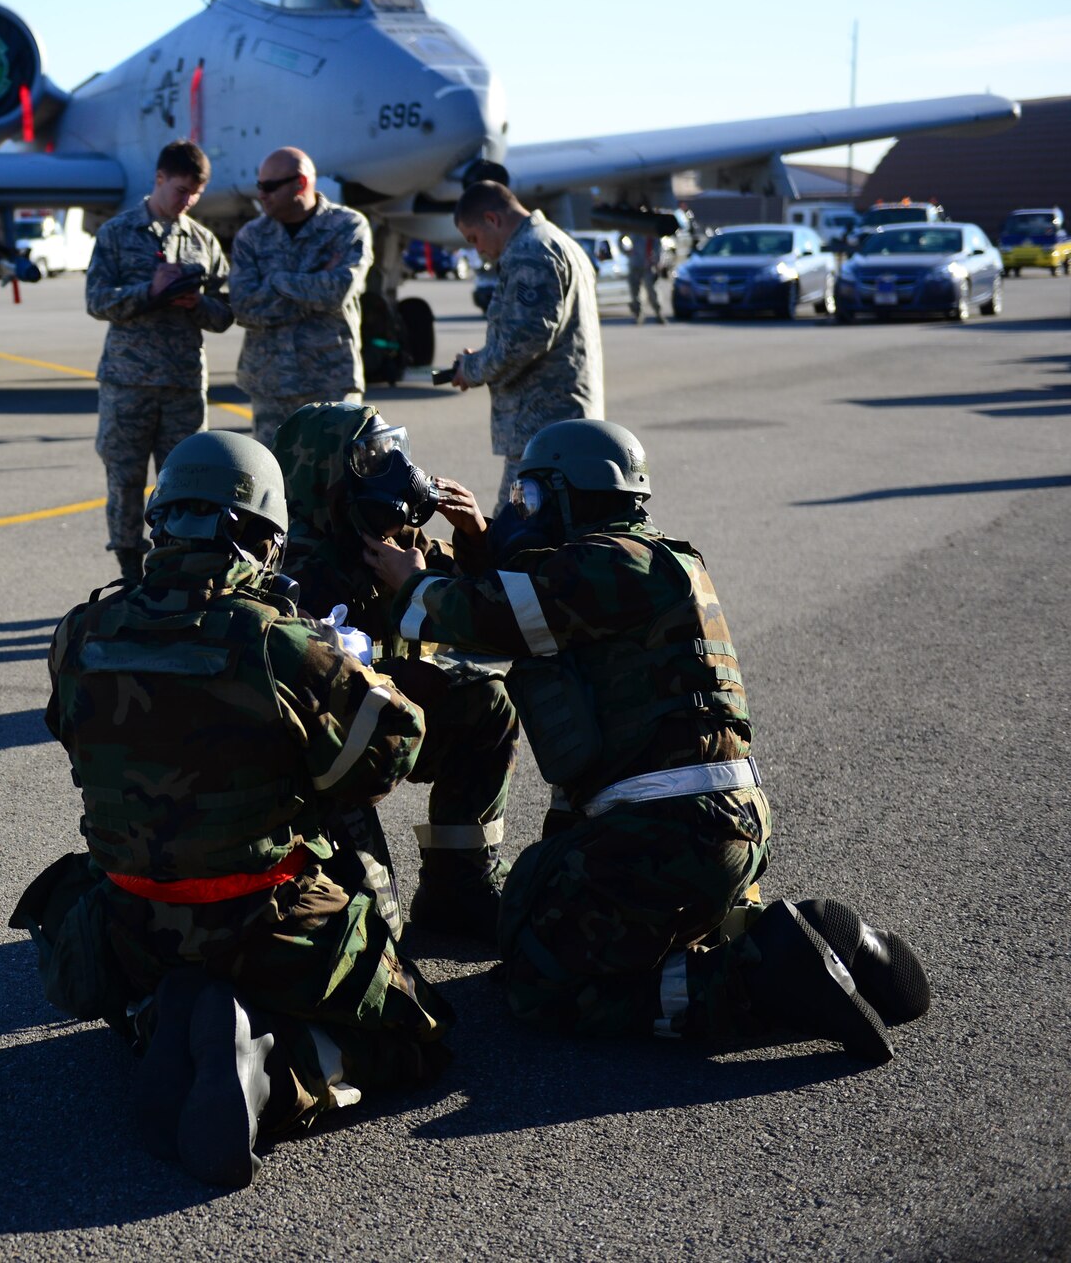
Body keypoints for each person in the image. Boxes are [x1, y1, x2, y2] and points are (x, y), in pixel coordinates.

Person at [360, 420, 930, 1061]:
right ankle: (834, 948)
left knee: (541, 989)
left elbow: (495, 617)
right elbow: (534, 594)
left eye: (533, 497)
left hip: (673, 831)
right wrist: (475, 540)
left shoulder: (615, 562)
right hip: (697, 823)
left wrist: (414, 581)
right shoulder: (641, 560)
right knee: (528, 916)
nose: (525, 512)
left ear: (572, 494)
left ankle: (760, 980)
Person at [10, 430, 452, 1189]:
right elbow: (391, 754)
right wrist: (351, 663)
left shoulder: (81, 630)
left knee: (149, 939)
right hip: (265, 917)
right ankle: (271, 1070)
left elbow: (73, 738)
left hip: (129, 920)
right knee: (417, 1036)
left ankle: (163, 1018)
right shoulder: (277, 641)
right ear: (259, 537)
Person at [271, 402, 518, 941]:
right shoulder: (290, 570)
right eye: (369, 456)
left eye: (391, 448)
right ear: (324, 474)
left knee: (486, 705)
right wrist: (391, 684)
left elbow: (489, 610)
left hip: (381, 725)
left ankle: (459, 885)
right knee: (377, 933)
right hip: (319, 756)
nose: (393, 466)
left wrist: (475, 537)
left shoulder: (390, 537)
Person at [85, 140, 234, 583]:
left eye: (195, 194)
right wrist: (148, 292)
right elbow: (96, 301)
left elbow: (227, 313)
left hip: (183, 384)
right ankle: (130, 571)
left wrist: (195, 303)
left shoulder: (203, 241)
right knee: (125, 481)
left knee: (187, 484)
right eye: (180, 190)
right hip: (128, 383)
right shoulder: (117, 233)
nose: (186, 200)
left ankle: (177, 571)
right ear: (159, 179)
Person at [448, 181, 605, 506]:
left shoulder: (530, 253)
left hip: (545, 431)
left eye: (475, 238)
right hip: (560, 426)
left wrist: (472, 368)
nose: (479, 250)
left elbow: (524, 341)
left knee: (517, 539)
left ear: (492, 219)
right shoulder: (557, 242)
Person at [228, 146, 373, 449]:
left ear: (301, 183)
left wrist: (275, 281)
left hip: (331, 382)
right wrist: (313, 284)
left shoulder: (347, 226)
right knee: (274, 486)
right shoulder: (252, 236)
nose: (261, 195)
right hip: (270, 385)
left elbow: (337, 292)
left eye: (269, 187)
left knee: (338, 484)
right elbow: (243, 306)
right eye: (259, 186)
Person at [627, 230, 665, 325]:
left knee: (652, 290)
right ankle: (638, 314)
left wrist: (657, 261)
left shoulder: (651, 229)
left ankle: (658, 312)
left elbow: (658, 247)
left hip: (648, 265)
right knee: (635, 291)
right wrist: (626, 252)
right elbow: (622, 240)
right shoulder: (633, 229)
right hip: (635, 264)